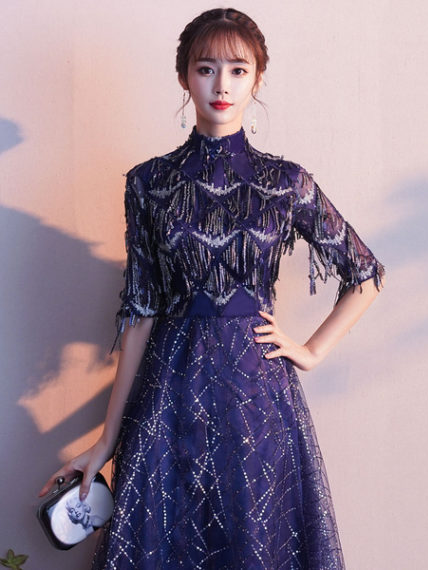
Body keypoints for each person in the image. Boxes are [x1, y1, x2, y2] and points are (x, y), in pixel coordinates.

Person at [39, 7, 385, 569]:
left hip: (258, 401)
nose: (221, 85)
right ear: (184, 77)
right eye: (206, 69)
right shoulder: (148, 183)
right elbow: (140, 312)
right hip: (168, 396)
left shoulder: (286, 183)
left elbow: (364, 274)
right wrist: (105, 441)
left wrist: (311, 351)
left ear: (257, 79)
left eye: (238, 70)